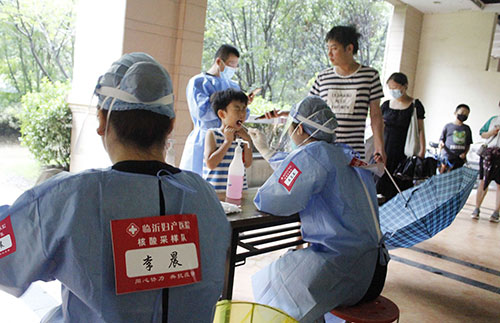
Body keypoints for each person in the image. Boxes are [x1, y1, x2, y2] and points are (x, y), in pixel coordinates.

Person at [0, 52, 230, 322]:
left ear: (101, 120)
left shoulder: (69, 197)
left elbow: (7, 259)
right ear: (170, 125)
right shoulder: (204, 196)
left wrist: (37, 205)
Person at [249, 96, 388, 322]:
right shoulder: (345, 154)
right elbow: (298, 171)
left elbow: (272, 199)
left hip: (343, 266)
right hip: (374, 268)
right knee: (296, 271)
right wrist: (267, 152)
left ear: (300, 128)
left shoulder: (312, 154)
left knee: (274, 284)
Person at [309, 25, 385, 163]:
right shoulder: (323, 77)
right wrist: (284, 114)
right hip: (324, 150)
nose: (329, 54)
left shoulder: (370, 76)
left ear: (349, 48)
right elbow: (308, 111)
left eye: (334, 48)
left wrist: (379, 147)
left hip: (353, 153)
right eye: (328, 49)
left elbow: (376, 115)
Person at [180, 44, 254, 176]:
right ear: (219, 61)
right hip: (203, 140)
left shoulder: (233, 86)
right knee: (198, 181)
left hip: (229, 137)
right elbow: (202, 112)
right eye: (231, 64)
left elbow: (244, 115)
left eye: (236, 65)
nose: (233, 69)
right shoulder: (199, 82)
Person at [376, 72, 426, 200]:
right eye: (390, 88)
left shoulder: (415, 106)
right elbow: (379, 128)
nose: (393, 91)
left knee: (400, 187)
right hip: (385, 150)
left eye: (396, 88)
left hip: (404, 152)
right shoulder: (386, 105)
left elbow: (420, 130)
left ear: (405, 86)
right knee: (380, 186)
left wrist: (422, 151)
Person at [203, 88, 253, 192]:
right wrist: (227, 142)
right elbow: (210, 164)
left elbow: (247, 163)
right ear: (222, 114)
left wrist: (247, 139)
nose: (242, 113)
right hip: (215, 192)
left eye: (244, 108)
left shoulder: (242, 137)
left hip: (238, 191)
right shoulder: (213, 134)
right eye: (237, 109)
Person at [472, 100, 500, 222]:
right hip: (489, 154)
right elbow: (482, 133)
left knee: (499, 185)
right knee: (483, 181)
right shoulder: (493, 120)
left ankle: (496, 212)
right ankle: (476, 208)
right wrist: (491, 133)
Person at [438, 104, 473, 173]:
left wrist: (465, 154)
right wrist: (441, 144)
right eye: (462, 112)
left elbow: (468, 144)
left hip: (459, 159)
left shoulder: (467, 129)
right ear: (455, 113)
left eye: (466, 114)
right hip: (447, 157)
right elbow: (441, 139)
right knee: (444, 177)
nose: (464, 115)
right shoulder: (448, 126)